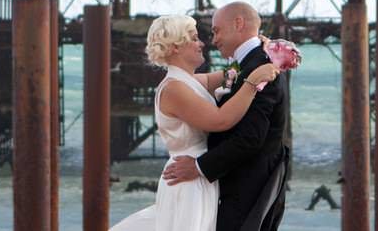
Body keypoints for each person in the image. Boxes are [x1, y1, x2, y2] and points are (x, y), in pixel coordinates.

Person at [109, 14, 279, 231]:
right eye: (193, 38)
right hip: (188, 177)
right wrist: (253, 83)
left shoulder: (189, 81)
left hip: (197, 174)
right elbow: (220, 120)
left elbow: (230, 74)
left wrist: (257, 52)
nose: (202, 44)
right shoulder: (173, 88)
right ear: (175, 48)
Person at [163, 2, 289, 231]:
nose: (211, 40)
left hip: (247, 188)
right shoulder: (248, 65)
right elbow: (223, 107)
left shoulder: (259, 65)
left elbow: (250, 138)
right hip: (221, 183)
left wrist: (199, 167)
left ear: (238, 23)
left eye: (216, 31)